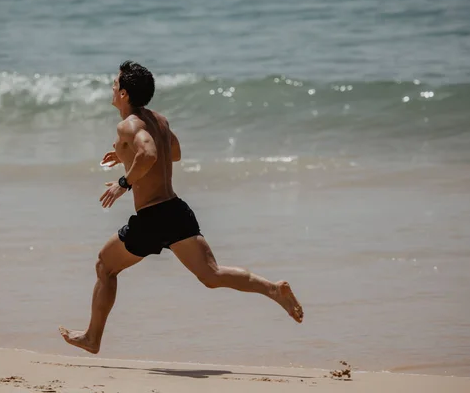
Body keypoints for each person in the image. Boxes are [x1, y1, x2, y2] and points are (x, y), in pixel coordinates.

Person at [59, 61, 304, 354]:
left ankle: (92, 338)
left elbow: (149, 154)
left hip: (151, 218)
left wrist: (124, 182)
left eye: (115, 84)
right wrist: (125, 154)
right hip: (176, 211)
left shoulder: (129, 124)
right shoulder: (158, 120)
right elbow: (172, 152)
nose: (112, 89)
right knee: (212, 275)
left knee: (105, 266)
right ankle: (273, 289)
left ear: (124, 94)